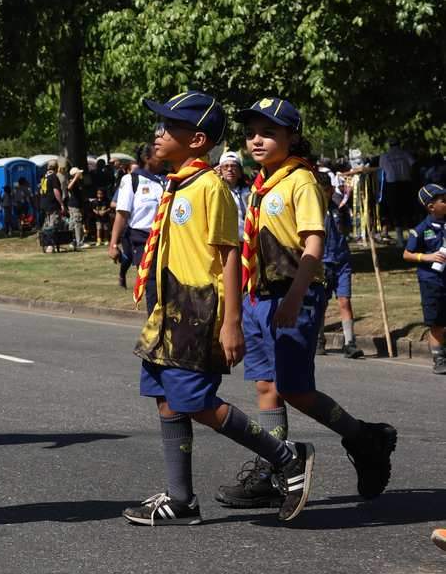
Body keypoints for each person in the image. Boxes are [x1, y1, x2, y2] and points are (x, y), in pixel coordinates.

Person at [122, 91, 314, 526]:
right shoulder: (176, 185)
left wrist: (231, 322)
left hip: (198, 311)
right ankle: (181, 498)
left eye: (168, 127)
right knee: (165, 399)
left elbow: (230, 255)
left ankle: (285, 458)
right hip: (166, 310)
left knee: (197, 401)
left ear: (197, 139)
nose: (157, 134)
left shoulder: (211, 189)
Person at [215, 97, 396, 513]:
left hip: (293, 293)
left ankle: (365, 438)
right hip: (261, 295)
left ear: (292, 136)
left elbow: (313, 244)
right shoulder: (263, 183)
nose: (256, 140)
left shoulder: (301, 181)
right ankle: (275, 467)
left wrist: (295, 297)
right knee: (266, 385)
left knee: (295, 387)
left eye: (268, 132)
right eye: (250, 133)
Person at [110, 143, 168, 297]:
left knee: (171, 286)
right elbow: (122, 214)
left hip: (170, 240)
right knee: (153, 285)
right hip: (143, 240)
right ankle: (154, 320)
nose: (163, 157)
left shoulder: (171, 178)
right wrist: (113, 244)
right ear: (146, 158)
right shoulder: (131, 180)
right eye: (158, 154)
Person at [318, 168, 363, 359]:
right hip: (322, 262)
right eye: (322, 190)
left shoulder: (340, 206)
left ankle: (349, 342)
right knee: (321, 303)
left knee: (345, 301)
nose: (326, 193)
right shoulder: (312, 210)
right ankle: (319, 339)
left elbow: (347, 228)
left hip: (342, 260)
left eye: (328, 189)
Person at [404, 183, 446, 375]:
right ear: (431, 207)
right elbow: (407, 254)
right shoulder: (421, 229)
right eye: (443, 201)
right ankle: (438, 358)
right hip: (431, 281)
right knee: (436, 321)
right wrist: (427, 257)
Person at [380, 142, 416, 244]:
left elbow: (382, 170)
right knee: (408, 211)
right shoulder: (405, 154)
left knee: (395, 212)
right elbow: (413, 164)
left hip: (392, 185)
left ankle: (400, 240)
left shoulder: (384, 156)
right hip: (406, 184)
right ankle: (412, 239)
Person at [217, 151, 251, 237]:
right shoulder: (218, 192)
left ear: (240, 172)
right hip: (227, 240)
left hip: (247, 239)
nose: (229, 169)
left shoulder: (249, 190)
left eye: (233, 166)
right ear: (220, 171)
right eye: (225, 167)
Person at [38, 161, 66, 252]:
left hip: (44, 204)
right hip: (52, 204)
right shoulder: (54, 177)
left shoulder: (44, 177)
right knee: (53, 225)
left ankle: (45, 244)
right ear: (56, 168)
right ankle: (50, 246)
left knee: (46, 225)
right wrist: (61, 203)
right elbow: (56, 191)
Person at [66, 166, 87, 248]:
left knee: (74, 223)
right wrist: (75, 177)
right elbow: (69, 187)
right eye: (79, 173)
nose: (80, 174)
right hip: (74, 205)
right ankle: (79, 242)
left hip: (77, 205)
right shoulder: (72, 181)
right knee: (77, 223)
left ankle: (73, 241)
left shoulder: (79, 182)